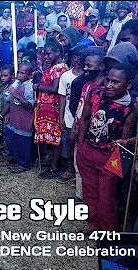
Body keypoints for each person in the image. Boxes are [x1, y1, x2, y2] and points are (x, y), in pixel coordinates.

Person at [77, 64, 135, 232]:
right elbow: (85, 118)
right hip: (88, 150)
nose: (109, 85)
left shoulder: (131, 107)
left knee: (107, 199)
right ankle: (93, 224)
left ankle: (107, 233)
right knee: (90, 193)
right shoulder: (96, 94)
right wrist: (81, 146)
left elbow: (125, 137)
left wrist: (117, 165)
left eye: (115, 82)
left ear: (128, 85)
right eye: (108, 80)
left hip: (111, 158)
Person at [70, 47, 106, 201]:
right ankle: (81, 196)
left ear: (101, 66)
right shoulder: (86, 85)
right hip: (80, 128)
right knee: (79, 164)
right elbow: (79, 107)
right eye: (85, 65)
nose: (85, 69)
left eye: (90, 66)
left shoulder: (103, 88)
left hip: (93, 134)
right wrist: (75, 126)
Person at [34, 39, 69, 179]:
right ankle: (53, 164)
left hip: (54, 108)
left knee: (56, 138)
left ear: (57, 52)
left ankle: (55, 168)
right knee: (52, 138)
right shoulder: (53, 67)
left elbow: (55, 88)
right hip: (48, 107)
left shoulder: (59, 68)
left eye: (48, 54)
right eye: (44, 55)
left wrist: (38, 87)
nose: (46, 57)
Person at [56, 43, 86, 183]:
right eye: (74, 57)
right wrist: (61, 116)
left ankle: (79, 170)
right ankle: (69, 168)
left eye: (79, 57)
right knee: (67, 142)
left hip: (82, 116)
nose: (76, 60)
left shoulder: (87, 77)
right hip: (68, 114)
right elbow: (62, 98)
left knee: (80, 143)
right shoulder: (65, 76)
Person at [5, 63, 36, 173]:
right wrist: (8, 113)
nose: (19, 75)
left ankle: (24, 164)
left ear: (29, 75)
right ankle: (17, 160)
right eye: (18, 72)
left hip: (24, 120)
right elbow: (11, 101)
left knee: (23, 143)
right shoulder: (17, 83)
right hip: (14, 118)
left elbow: (29, 104)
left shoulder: (29, 86)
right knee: (12, 139)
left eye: (22, 73)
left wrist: (16, 94)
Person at [0, 65, 14, 160]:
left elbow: (9, 103)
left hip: (6, 116)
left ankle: (8, 156)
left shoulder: (12, 87)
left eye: (6, 76)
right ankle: (3, 154)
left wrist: (2, 114)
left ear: (12, 75)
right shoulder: (1, 86)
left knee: (6, 136)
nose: (3, 78)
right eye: (2, 76)